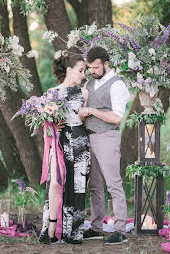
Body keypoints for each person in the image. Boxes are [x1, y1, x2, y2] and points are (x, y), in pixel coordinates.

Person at [78, 46, 130, 245]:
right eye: (90, 67)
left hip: (107, 137)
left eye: (96, 67)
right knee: (94, 185)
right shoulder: (90, 83)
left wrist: (91, 110)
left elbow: (117, 117)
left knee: (113, 184)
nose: (92, 71)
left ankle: (120, 231)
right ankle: (96, 227)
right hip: (89, 137)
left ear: (106, 64)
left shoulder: (117, 85)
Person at [39, 54, 90, 245]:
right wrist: (51, 125)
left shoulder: (84, 93)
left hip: (79, 141)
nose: (83, 75)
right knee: (55, 182)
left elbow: (83, 119)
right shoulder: (53, 93)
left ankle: (73, 232)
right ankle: (51, 226)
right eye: (80, 70)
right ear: (69, 70)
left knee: (77, 185)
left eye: (84, 71)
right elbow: (46, 120)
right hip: (60, 142)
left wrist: (84, 116)